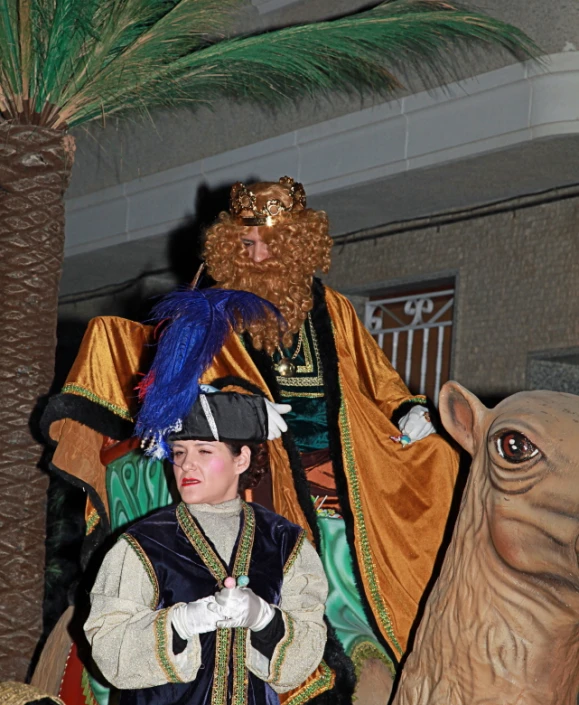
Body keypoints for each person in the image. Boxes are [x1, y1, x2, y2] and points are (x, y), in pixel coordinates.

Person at [44, 177, 459, 703]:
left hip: (350, 475)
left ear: (299, 244)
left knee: (438, 460)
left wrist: (409, 412)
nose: (257, 254)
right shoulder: (208, 311)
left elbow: (380, 384)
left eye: (271, 242)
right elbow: (174, 397)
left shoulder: (334, 311)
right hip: (258, 470)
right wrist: (238, 406)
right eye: (246, 243)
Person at [84, 389, 328, 705]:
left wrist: (264, 619)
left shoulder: (286, 542)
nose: (187, 465)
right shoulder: (141, 544)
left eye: (203, 451)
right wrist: (183, 622)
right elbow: (108, 649)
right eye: (180, 453)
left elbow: (303, 657)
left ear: (241, 458)